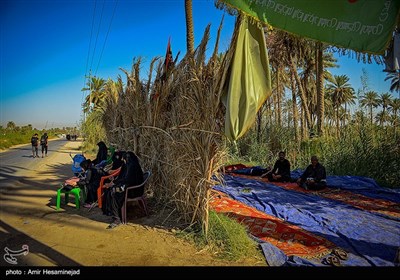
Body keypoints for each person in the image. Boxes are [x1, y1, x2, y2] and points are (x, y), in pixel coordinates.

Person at [103, 151, 144, 229]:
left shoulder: (132, 167)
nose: (124, 161)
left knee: (114, 193)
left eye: (124, 159)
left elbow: (128, 180)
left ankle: (117, 219)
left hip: (134, 190)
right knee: (111, 190)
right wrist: (114, 182)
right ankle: (113, 213)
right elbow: (123, 178)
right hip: (130, 187)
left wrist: (116, 184)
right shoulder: (129, 165)